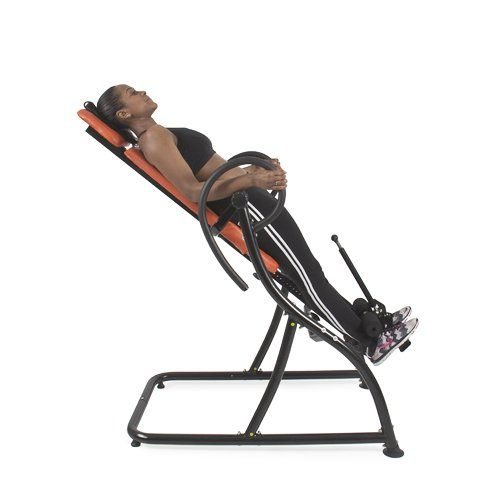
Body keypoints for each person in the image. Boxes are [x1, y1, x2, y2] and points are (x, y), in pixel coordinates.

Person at [95, 84, 419, 366]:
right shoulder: (153, 139)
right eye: (132, 93)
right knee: (306, 274)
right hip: (244, 209)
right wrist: (251, 180)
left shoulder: (161, 133)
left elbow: (211, 173)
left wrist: (254, 172)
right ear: (124, 114)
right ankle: (370, 343)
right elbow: (194, 191)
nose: (142, 91)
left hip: (249, 201)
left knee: (308, 271)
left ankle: (364, 326)